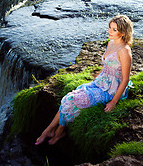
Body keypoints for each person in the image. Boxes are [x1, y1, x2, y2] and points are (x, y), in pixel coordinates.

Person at [35, 15, 133, 146]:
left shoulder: (125, 51)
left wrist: (113, 102)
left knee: (71, 99)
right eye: (110, 27)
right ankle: (56, 131)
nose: (110, 31)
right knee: (71, 96)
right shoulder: (111, 43)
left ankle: (50, 131)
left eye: (114, 29)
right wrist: (98, 76)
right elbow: (107, 66)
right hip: (101, 82)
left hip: (112, 89)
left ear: (123, 32)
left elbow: (125, 79)